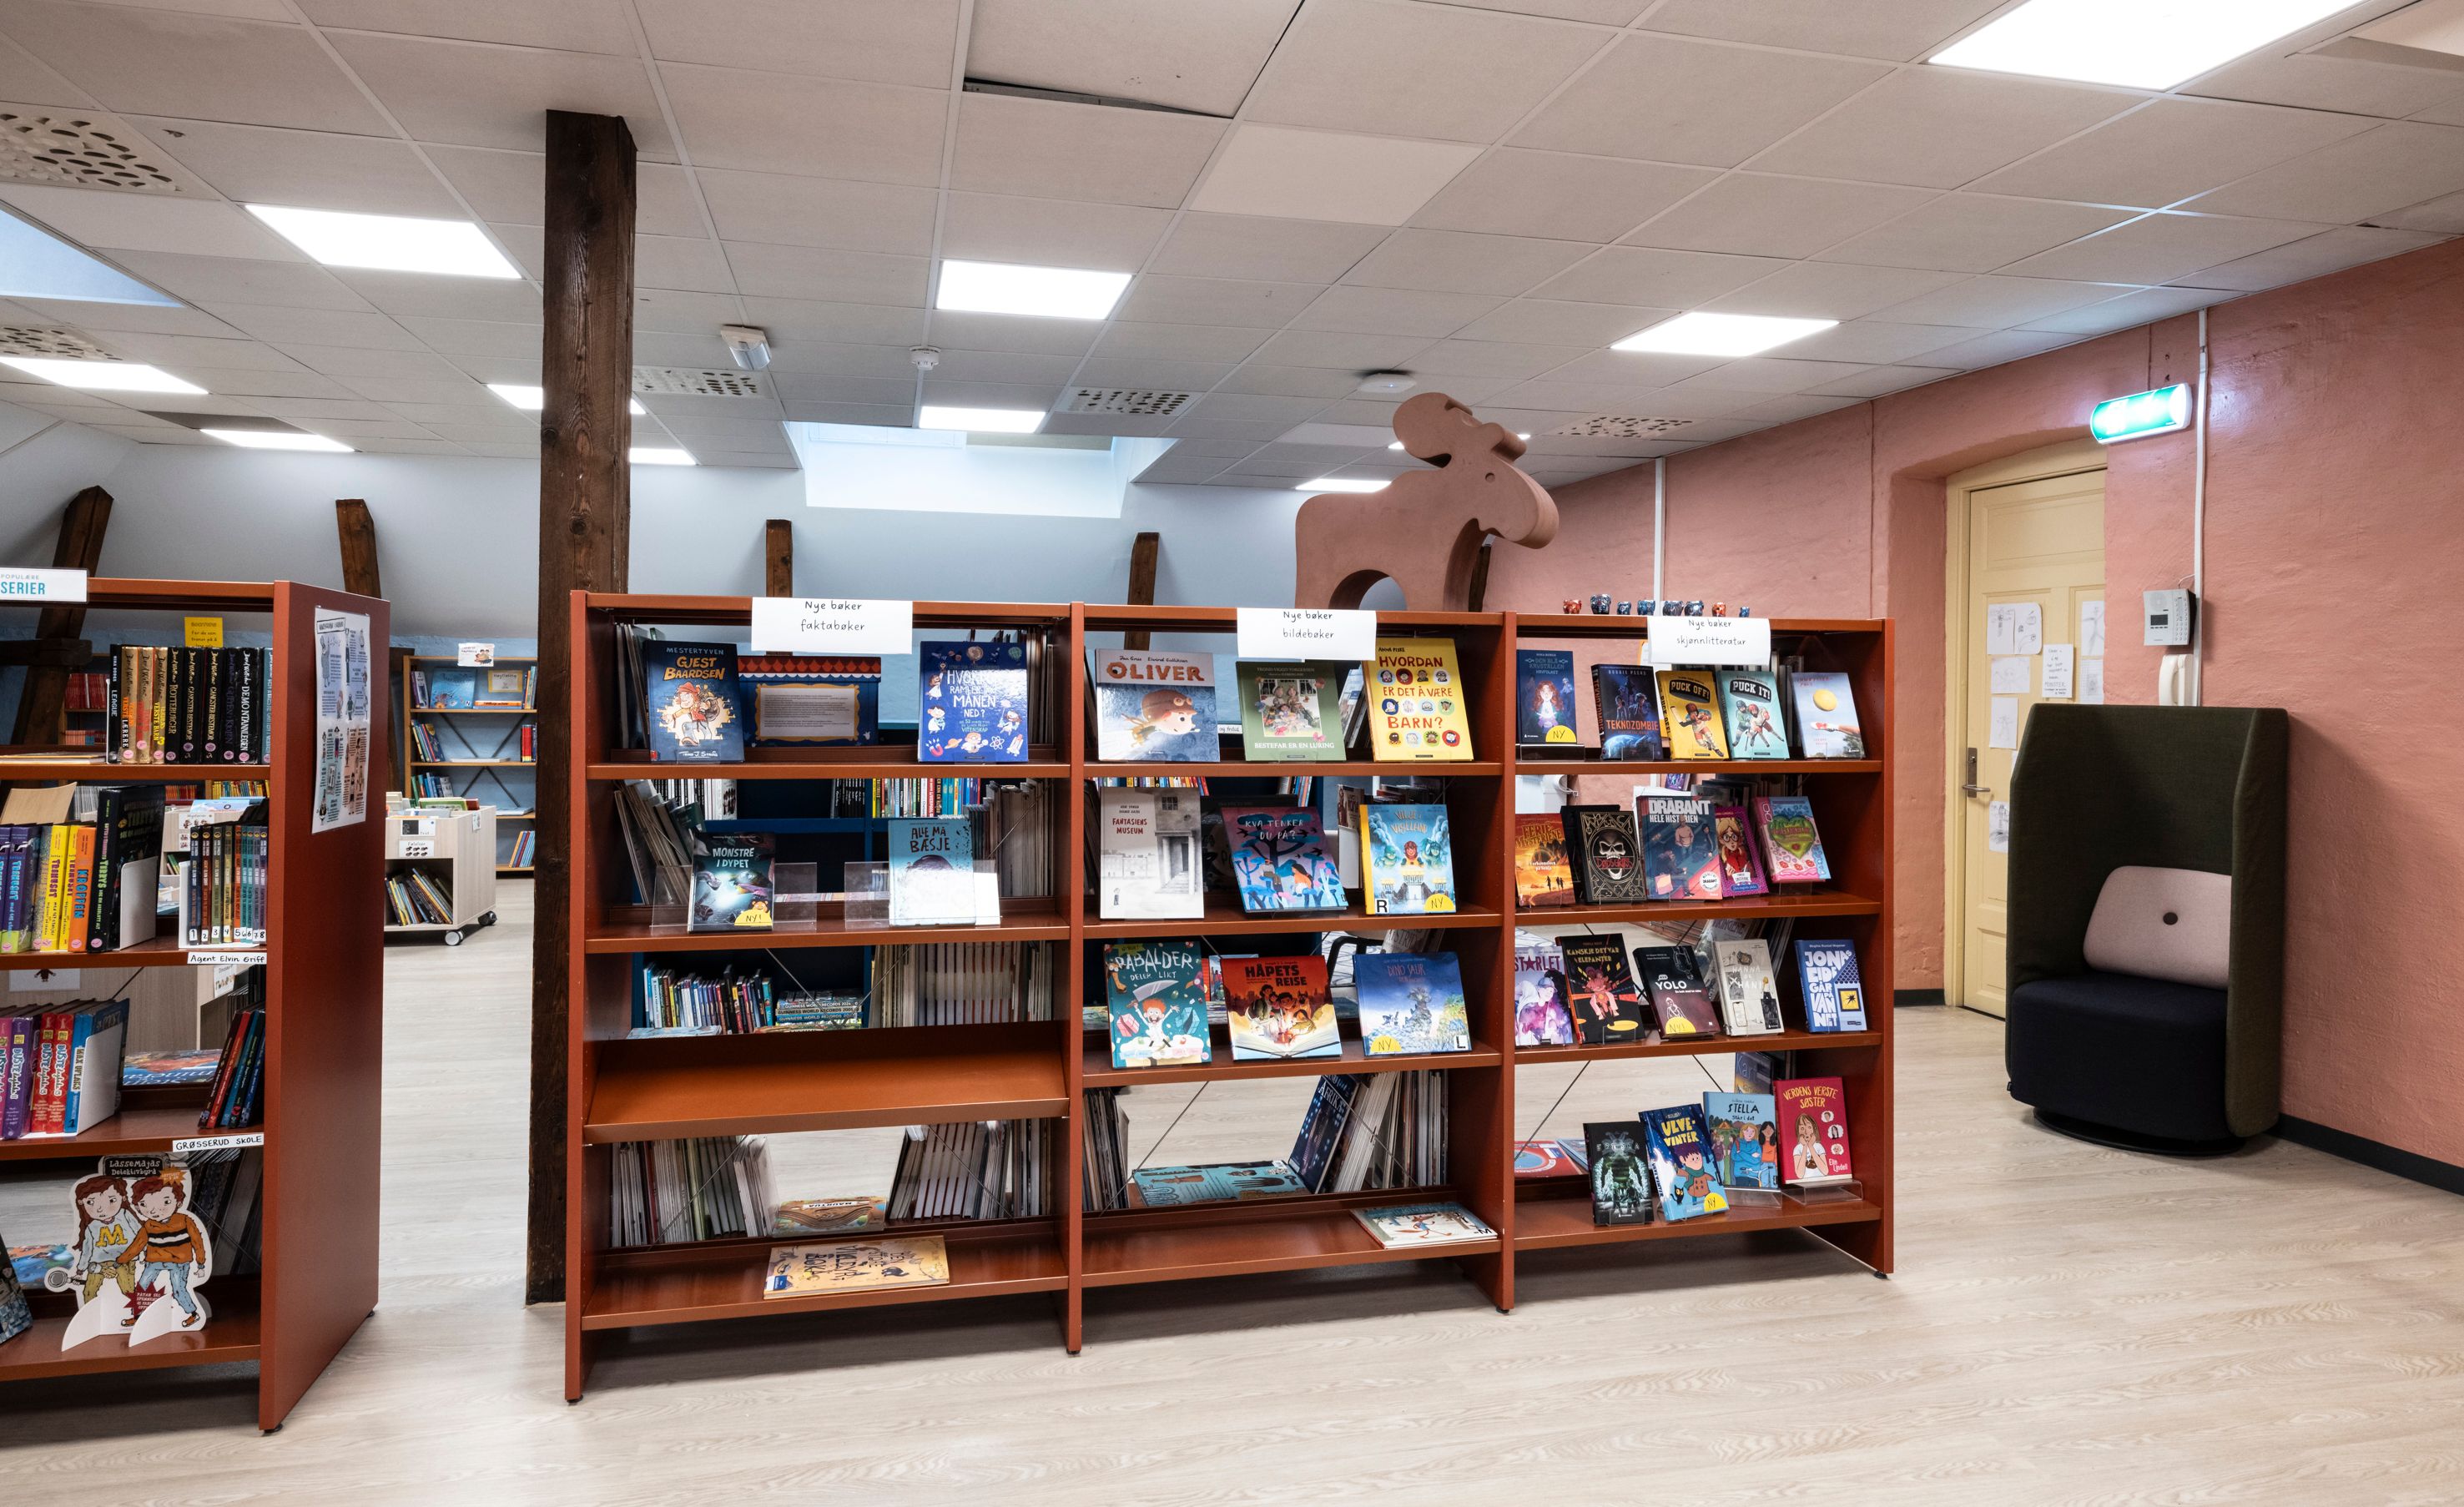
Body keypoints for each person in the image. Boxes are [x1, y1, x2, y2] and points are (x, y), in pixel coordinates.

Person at [126, 1175, 210, 1329]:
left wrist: (201, 1264)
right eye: (145, 1204)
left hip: (179, 1262)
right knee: (142, 1287)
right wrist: (121, 1260)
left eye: (165, 1202)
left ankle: (193, 1314)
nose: (154, 1210)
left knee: (179, 1290)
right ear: (138, 1207)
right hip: (154, 1261)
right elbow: (137, 1245)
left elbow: (197, 1242)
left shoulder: (184, 1220)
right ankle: (138, 1316)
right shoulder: (148, 1226)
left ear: (178, 1202)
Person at [69, 1174, 139, 1311]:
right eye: (91, 1202)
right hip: (99, 1264)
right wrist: (80, 1269)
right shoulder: (91, 1227)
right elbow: (87, 1250)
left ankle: (136, 1314)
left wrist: (147, 1251)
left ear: (123, 1198)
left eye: (111, 1200)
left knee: (128, 1290)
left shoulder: (125, 1215)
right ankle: (90, 1315)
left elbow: (141, 1234)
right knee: (88, 1291)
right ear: (82, 1203)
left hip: (124, 1259)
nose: (100, 1209)